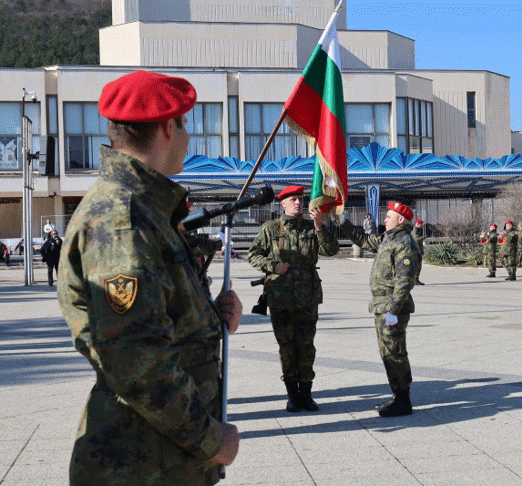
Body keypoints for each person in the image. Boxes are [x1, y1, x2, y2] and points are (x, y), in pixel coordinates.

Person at [57, 70, 242, 485]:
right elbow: (137, 358)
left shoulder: (146, 210)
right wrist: (212, 439)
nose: (188, 137)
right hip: (141, 464)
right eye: (184, 124)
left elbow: (155, 320)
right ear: (166, 127)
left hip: (162, 457)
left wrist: (212, 317)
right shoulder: (123, 219)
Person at [247, 185, 339, 413]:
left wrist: (320, 227)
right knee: (287, 347)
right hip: (281, 299)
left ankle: (306, 394)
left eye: (300, 199)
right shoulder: (270, 229)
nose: (298, 203)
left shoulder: (311, 228)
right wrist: (272, 266)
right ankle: (292, 395)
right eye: (293, 200)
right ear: (283, 204)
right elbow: (253, 254)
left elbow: (331, 250)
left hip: (308, 298)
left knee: (307, 347)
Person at [340, 201, 421, 417]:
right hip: (381, 306)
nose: (385, 219)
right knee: (387, 351)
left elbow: (404, 281)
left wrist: (393, 312)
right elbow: (365, 241)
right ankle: (397, 395)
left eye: (389, 216)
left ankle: (403, 399)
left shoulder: (404, 243)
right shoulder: (388, 239)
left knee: (395, 352)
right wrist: (344, 223)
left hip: (392, 308)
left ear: (401, 220)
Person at [411, 218, 426, 285]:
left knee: (418, 266)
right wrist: (424, 237)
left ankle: (416, 279)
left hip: (418, 250)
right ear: (417, 224)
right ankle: (415, 280)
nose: (422, 225)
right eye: (421, 224)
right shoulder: (415, 231)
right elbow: (416, 239)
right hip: (416, 251)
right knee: (417, 266)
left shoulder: (418, 230)